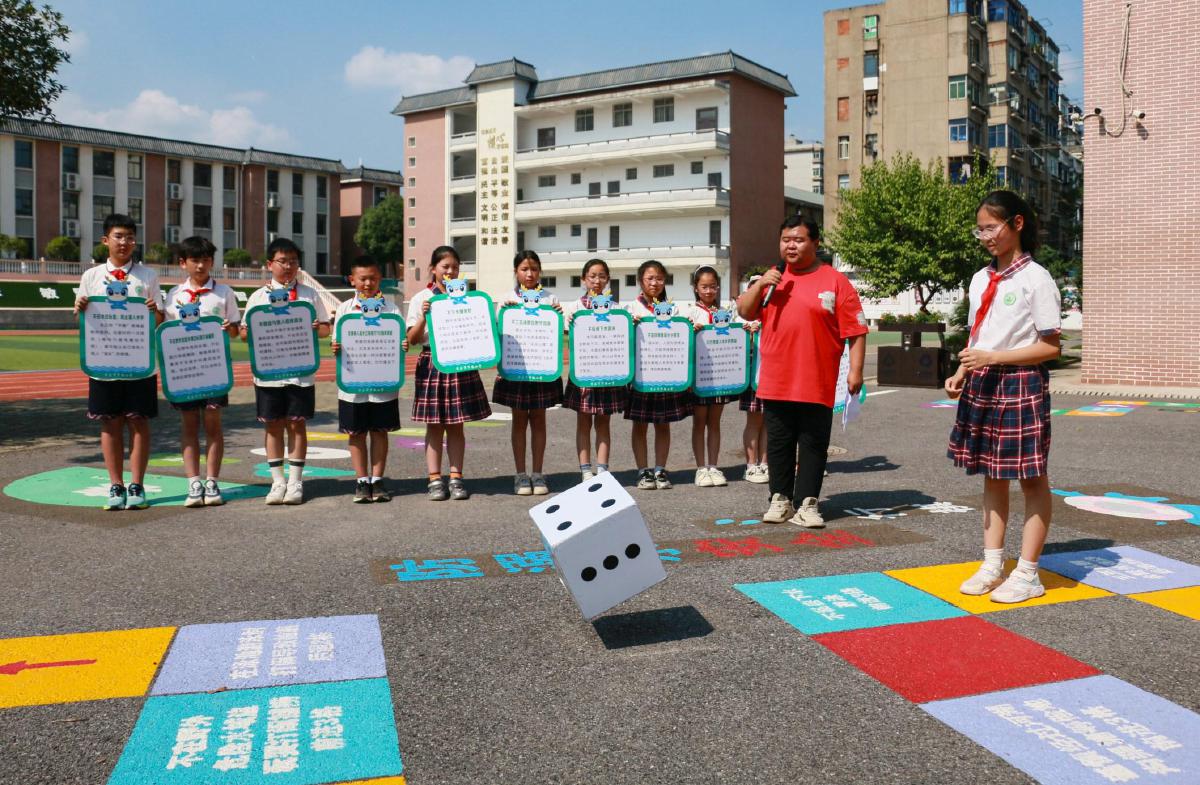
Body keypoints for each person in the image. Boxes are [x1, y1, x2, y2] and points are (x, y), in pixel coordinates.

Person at [946, 190, 1061, 604]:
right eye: (980, 230)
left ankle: (1028, 573)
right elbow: (979, 333)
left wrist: (992, 357)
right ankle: (993, 565)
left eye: (992, 228)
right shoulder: (980, 279)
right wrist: (962, 370)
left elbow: (1051, 347)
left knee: (1031, 477)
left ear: (1017, 224)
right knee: (992, 475)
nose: (986, 237)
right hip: (984, 381)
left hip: (1021, 383)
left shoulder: (1037, 279)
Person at [737, 216, 867, 527]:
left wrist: (856, 371)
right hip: (776, 379)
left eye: (798, 240)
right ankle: (779, 499)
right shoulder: (772, 278)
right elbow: (745, 311)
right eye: (785, 240)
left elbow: (856, 330)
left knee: (813, 443)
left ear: (815, 243)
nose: (790, 246)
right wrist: (761, 285)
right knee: (779, 442)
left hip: (817, 378)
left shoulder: (835, 281)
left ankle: (808, 503)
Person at [73, 214, 163, 510]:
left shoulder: (147, 276)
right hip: (104, 364)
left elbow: (160, 319)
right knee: (110, 423)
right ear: (105, 240)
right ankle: (115, 485)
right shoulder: (91, 277)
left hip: (139, 364)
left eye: (130, 237)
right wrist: (80, 307)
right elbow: (82, 320)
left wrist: (154, 311)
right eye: (118, 236)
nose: (124, 242)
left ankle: (137, 484)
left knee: (138, 422)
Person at [241, 238, 331, 505]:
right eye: (283, 261)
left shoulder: (309, 295)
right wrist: (255, 328)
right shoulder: (258, 296)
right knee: (272, 426)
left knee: (297, 424)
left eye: (293, 261)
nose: (289, 266)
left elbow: (325, 329)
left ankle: (295, 482)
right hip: (269, 374)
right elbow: (245, 334)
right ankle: (277, 481)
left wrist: (316, 327)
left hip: (300, 372)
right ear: (270, 264)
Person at [406, 246, 491, 501]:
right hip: (432, 362)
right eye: (445, 266)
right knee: (434, 425)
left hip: (460, 362)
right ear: (433, 269)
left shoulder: (467, 297)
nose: (450, 271)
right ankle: (434, 479)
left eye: (454, 267)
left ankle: (456, 478)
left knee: (456, 425)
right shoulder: (422, 298)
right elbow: (412, 339)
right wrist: (424, 315)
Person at [163, 236, 240, 507]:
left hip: (214, 370)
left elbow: (235, 331)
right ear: (183, 263)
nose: (200, 265)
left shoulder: (224, 293)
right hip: (185, 371)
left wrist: (229, 328)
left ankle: (212, 481)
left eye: (206, 260)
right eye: (195, 260)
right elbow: (167, 333)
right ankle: (193, 482)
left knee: (213, 425)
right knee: (189, 426)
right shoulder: (174, 295)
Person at [332, 255, 406, 503]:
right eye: (362, 278)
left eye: (373, 278)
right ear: (352, 279)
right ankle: (361, 480)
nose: (368, 283)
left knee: (380, 431)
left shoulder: (391, 309)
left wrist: (403, 345)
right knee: (356, 433)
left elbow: (400, 341)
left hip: (383, 384)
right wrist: (336, 347)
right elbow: (337, 342)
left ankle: (377, 479)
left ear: (380, 279)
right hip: (353, 384)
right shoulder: (344, 310)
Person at [493, 250, 564, 496]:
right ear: (516, 272)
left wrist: (558, 315)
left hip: (542, 370)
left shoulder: (550, 298)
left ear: (540, 271)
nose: (530, 274)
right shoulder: (507, 299)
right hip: (517, 370)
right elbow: (498, 333)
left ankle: (538, 473)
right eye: (524, 269)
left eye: (534, 269)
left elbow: (559, 333)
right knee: (519, 421)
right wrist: (505, 313)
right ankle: (520, 474)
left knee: (539, 420)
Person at [626, 259, 692, 490]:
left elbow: (683, 338)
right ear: (640, 281)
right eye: (650, 278)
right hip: (641, 377)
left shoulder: (674, 310)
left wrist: (688, 326)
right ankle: (643, 471)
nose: (654, 283)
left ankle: (660, 469)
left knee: (663, 424)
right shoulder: (630, 309)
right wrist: (629, 325)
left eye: (660, 278)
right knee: (640, 425)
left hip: (667, 375)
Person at [562, 258, 626, 482]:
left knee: (603, 422)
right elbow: (564, 333)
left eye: (601, 276)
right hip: (583, 375)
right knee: (583, 422)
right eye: (592, 276)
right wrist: (569, 322)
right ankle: (585, 470)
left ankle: (603, 469)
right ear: (584, 279)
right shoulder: (574, 308)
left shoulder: (617, 309)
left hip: (608, 375)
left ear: (608, 279)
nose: (597, 281)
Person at [686, 265, 737, 487]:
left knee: (714, 422)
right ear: (695, 288)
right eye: (704, 286)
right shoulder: (689, 313)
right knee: (699, 422)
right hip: (699, 377)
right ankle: (700, 469)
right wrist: (691, 331)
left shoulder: (726, 312)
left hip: (721, 376)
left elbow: (735, 340)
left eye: (713, 286)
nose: (709, 291)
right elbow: (682, 342)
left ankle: (714, 466)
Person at [737, 274, 768, 484]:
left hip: (772, 374)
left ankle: (765, 463)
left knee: (769, 422)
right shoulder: (742, 316)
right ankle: (750, 465)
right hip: (752, 376)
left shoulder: (771, 312)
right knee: (754, 420)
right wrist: (748, 334)